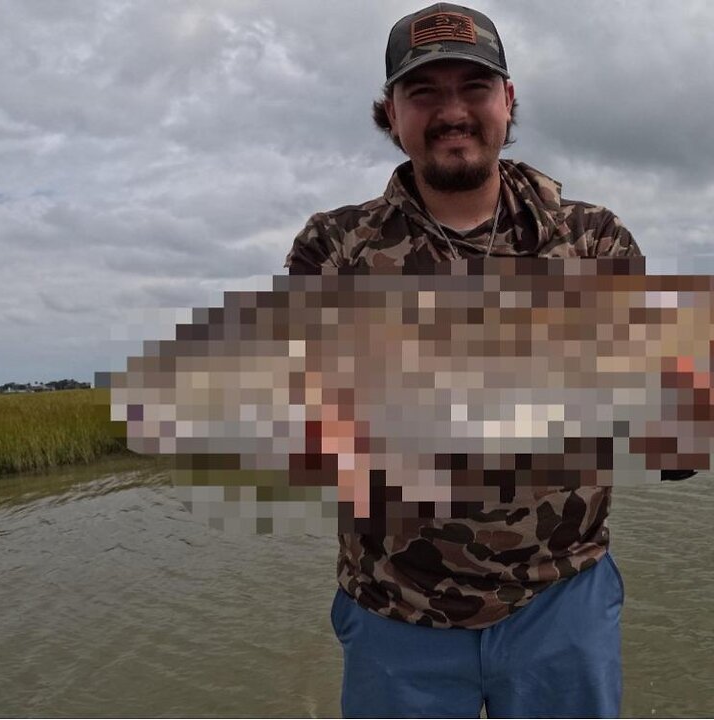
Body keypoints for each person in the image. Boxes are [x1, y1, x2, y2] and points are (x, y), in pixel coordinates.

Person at [284, 4, 683, 717]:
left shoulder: (591, 239)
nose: (453, 112)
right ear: (391, 113)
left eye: (473, 87)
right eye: (425, 93)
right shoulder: (334, 247)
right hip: (393, 613)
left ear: (508, 100)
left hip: (562, 599)